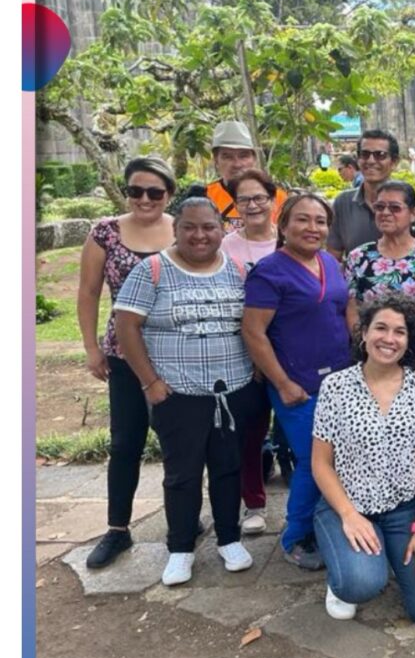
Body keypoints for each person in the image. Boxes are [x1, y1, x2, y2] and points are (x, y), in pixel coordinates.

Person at [113, 197, 258, 586]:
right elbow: (126, 327)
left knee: (228, 468)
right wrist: (151, 382)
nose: (199, 235)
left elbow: (255, 326)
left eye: (208, 227)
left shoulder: (240, 270)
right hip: (178, 395)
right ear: (176, 230)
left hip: (232, 390)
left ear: (222, 230)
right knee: (182, 474)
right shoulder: (154, 270)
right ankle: (180, 549)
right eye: (190, 227)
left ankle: (229, 539)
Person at [311, 292, 415, 625]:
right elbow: (321, 463)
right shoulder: (336, 386)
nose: (389, 339)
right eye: (381, 328)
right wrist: (348, 514)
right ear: (363, 333)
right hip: (346, 505)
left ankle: (387, 551)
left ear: (410, 341)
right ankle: (343, 574)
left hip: (405, 509)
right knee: (360, 583)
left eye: (400, 331)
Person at [243, 194, 352, 571]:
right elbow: (254, 332)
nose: (313, 228)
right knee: (313, 461)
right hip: (298, 386)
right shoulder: (269, 271)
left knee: (338, 460)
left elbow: (341, 312)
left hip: (340, 380)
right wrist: (283, 382)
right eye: (303, 220)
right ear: (284, 224)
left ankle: (328, 523)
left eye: (320, 221)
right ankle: (296, 536)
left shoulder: (329, 262)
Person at [79, 157, 177, 569]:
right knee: (125, 443)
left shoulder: (184, 227)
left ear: (168, 194)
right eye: (135, 191)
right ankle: (117, 528)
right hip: (124, 354)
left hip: (176, 352)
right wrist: (91, 348)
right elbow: (88, 292)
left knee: (180, 442)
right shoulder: (106, 233)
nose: (144, 199)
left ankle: (184, 520)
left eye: (154, 192)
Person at [223, 168, 284, 536]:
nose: (252, 205)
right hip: (243, 349)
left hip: (291, 346)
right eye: (243, 199)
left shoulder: (289, 238)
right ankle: (254, 503)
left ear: (273, 199)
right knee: (250, 430)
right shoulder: (226, 246)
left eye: (259, 197)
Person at [343, 180, 415, 332]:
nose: (385, 213)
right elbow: (352, 309)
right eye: (379, 207)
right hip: (372, 348)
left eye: (395, 208)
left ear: (413, 214)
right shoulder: (359, 257)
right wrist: (364, 343)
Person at [328, 129, 415, 260]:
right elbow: (333, 259)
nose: (371, 161)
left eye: (380, 155)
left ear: (394, 162)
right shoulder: (343, 203)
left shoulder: (407, 202)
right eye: (365, 154)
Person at [205, 121, 288, 229]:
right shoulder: (206, 196)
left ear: (254, 158)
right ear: (216, 160)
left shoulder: (278, 198)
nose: (237, 164)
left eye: (243, 156)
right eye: (228, 157)